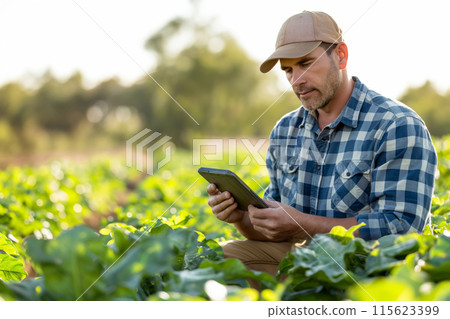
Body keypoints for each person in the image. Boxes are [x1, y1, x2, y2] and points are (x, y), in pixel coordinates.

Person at [206, 11, 437, 277]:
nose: (296, 81)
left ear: (340, 55)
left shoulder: (397, 125)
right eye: (288, 70)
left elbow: (402, 230)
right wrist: (240, 219)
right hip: (302, 261)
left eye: (305, 63)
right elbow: (275, 233)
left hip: (368, 269)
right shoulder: (285, 129)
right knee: (212, 262)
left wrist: (301, 225)